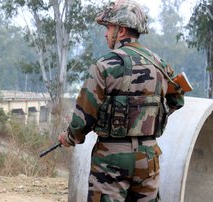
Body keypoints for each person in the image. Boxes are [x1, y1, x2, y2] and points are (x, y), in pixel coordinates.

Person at [58, 0, 184, 201]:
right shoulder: (160, 65)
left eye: (108, 27)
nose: (106, 33)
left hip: (111, 158)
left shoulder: (104, 65)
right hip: (148, 157)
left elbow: (84, 118)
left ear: (122, 30)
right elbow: (177, 100)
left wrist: (70, 137)